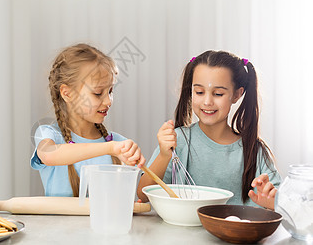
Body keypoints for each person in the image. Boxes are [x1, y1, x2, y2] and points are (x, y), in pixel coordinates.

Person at [137, 50, 280, 209]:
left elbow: (282, 201)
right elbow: (142, 195)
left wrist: (272, 202)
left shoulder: (255, 151)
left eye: (218, 94)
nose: (207, 101)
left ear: (237, 95)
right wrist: (164, 155)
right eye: (199, 92)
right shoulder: (178, 141)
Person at [31, 44, 145, 197]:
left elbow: (143, 193)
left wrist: (163, 155)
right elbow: (49, 155)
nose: (108, 101)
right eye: (98, 93)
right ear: (67, 93)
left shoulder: (118, 143)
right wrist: (109, 148)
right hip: (58, 222)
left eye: (110, 91)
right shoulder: (49, 134)